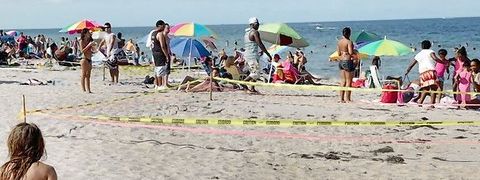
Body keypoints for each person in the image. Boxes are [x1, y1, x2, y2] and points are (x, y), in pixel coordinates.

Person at [405, 40, 444, 106]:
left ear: (421, 46)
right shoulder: (431, 51)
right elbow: (435, 58)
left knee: (425, 88)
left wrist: (408, 70)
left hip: (422, 73)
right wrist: (443, 62)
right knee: (433, 88)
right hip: (431, 71)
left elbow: (412, 63)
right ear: (430, 46)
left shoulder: (419, 54)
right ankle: (432, 104)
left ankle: (420, 102)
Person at [243, 17, 272, 93]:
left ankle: (252, 88)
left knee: (255, 72)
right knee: (255, 73)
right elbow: (260, 44)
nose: (258, 25)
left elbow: (250, 45)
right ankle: (242, 84)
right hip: (252, 56)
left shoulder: (246, 33)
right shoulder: (255, 32)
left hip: (248, 55)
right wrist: (268, 54)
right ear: (252, 25)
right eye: (257, 24)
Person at [337, 27, 354, 103]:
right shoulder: (349, 42)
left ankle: (341, 99)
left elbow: (339, 53)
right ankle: (348, 98)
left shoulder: (339, 42)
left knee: (342, 81)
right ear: (349, 34)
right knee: (349, 81)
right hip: (347, 60)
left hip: (341, 61)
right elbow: (350, 52)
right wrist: (355, 51)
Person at [151, 20, 169, 91]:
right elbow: (162, 46)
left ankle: (157, 85)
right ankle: (159, 85)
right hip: (159, 53)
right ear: (160, 26)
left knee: (157, 69)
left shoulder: (153, 33)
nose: (164, 27)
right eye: (163, 25)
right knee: (160, 69)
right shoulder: (160, 34)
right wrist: (166, 55)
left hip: (154, 53)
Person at [79, 28, 95, 93]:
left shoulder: (89, 40)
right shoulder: (81, 41)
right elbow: (82, 51)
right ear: (85, 33)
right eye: (88, 32)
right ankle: (83, 89)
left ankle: (89, 89)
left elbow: (91, 50)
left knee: (88, 75)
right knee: (83, 74)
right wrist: (89, 46)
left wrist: (93, 47)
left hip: (89, 59)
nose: (89, 33)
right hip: (84, 59)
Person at [163, 23, 172, 87]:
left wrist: (170, 52)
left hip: (168, 53)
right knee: (164, 69)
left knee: (168, 69)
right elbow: (162, 46)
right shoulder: (162, 36)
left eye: (169, 28)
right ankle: (164, 83)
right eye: (167, 28)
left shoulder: (168, 37)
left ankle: (166, 82)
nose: (169, 29)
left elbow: (168, 46)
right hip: (164, 54)